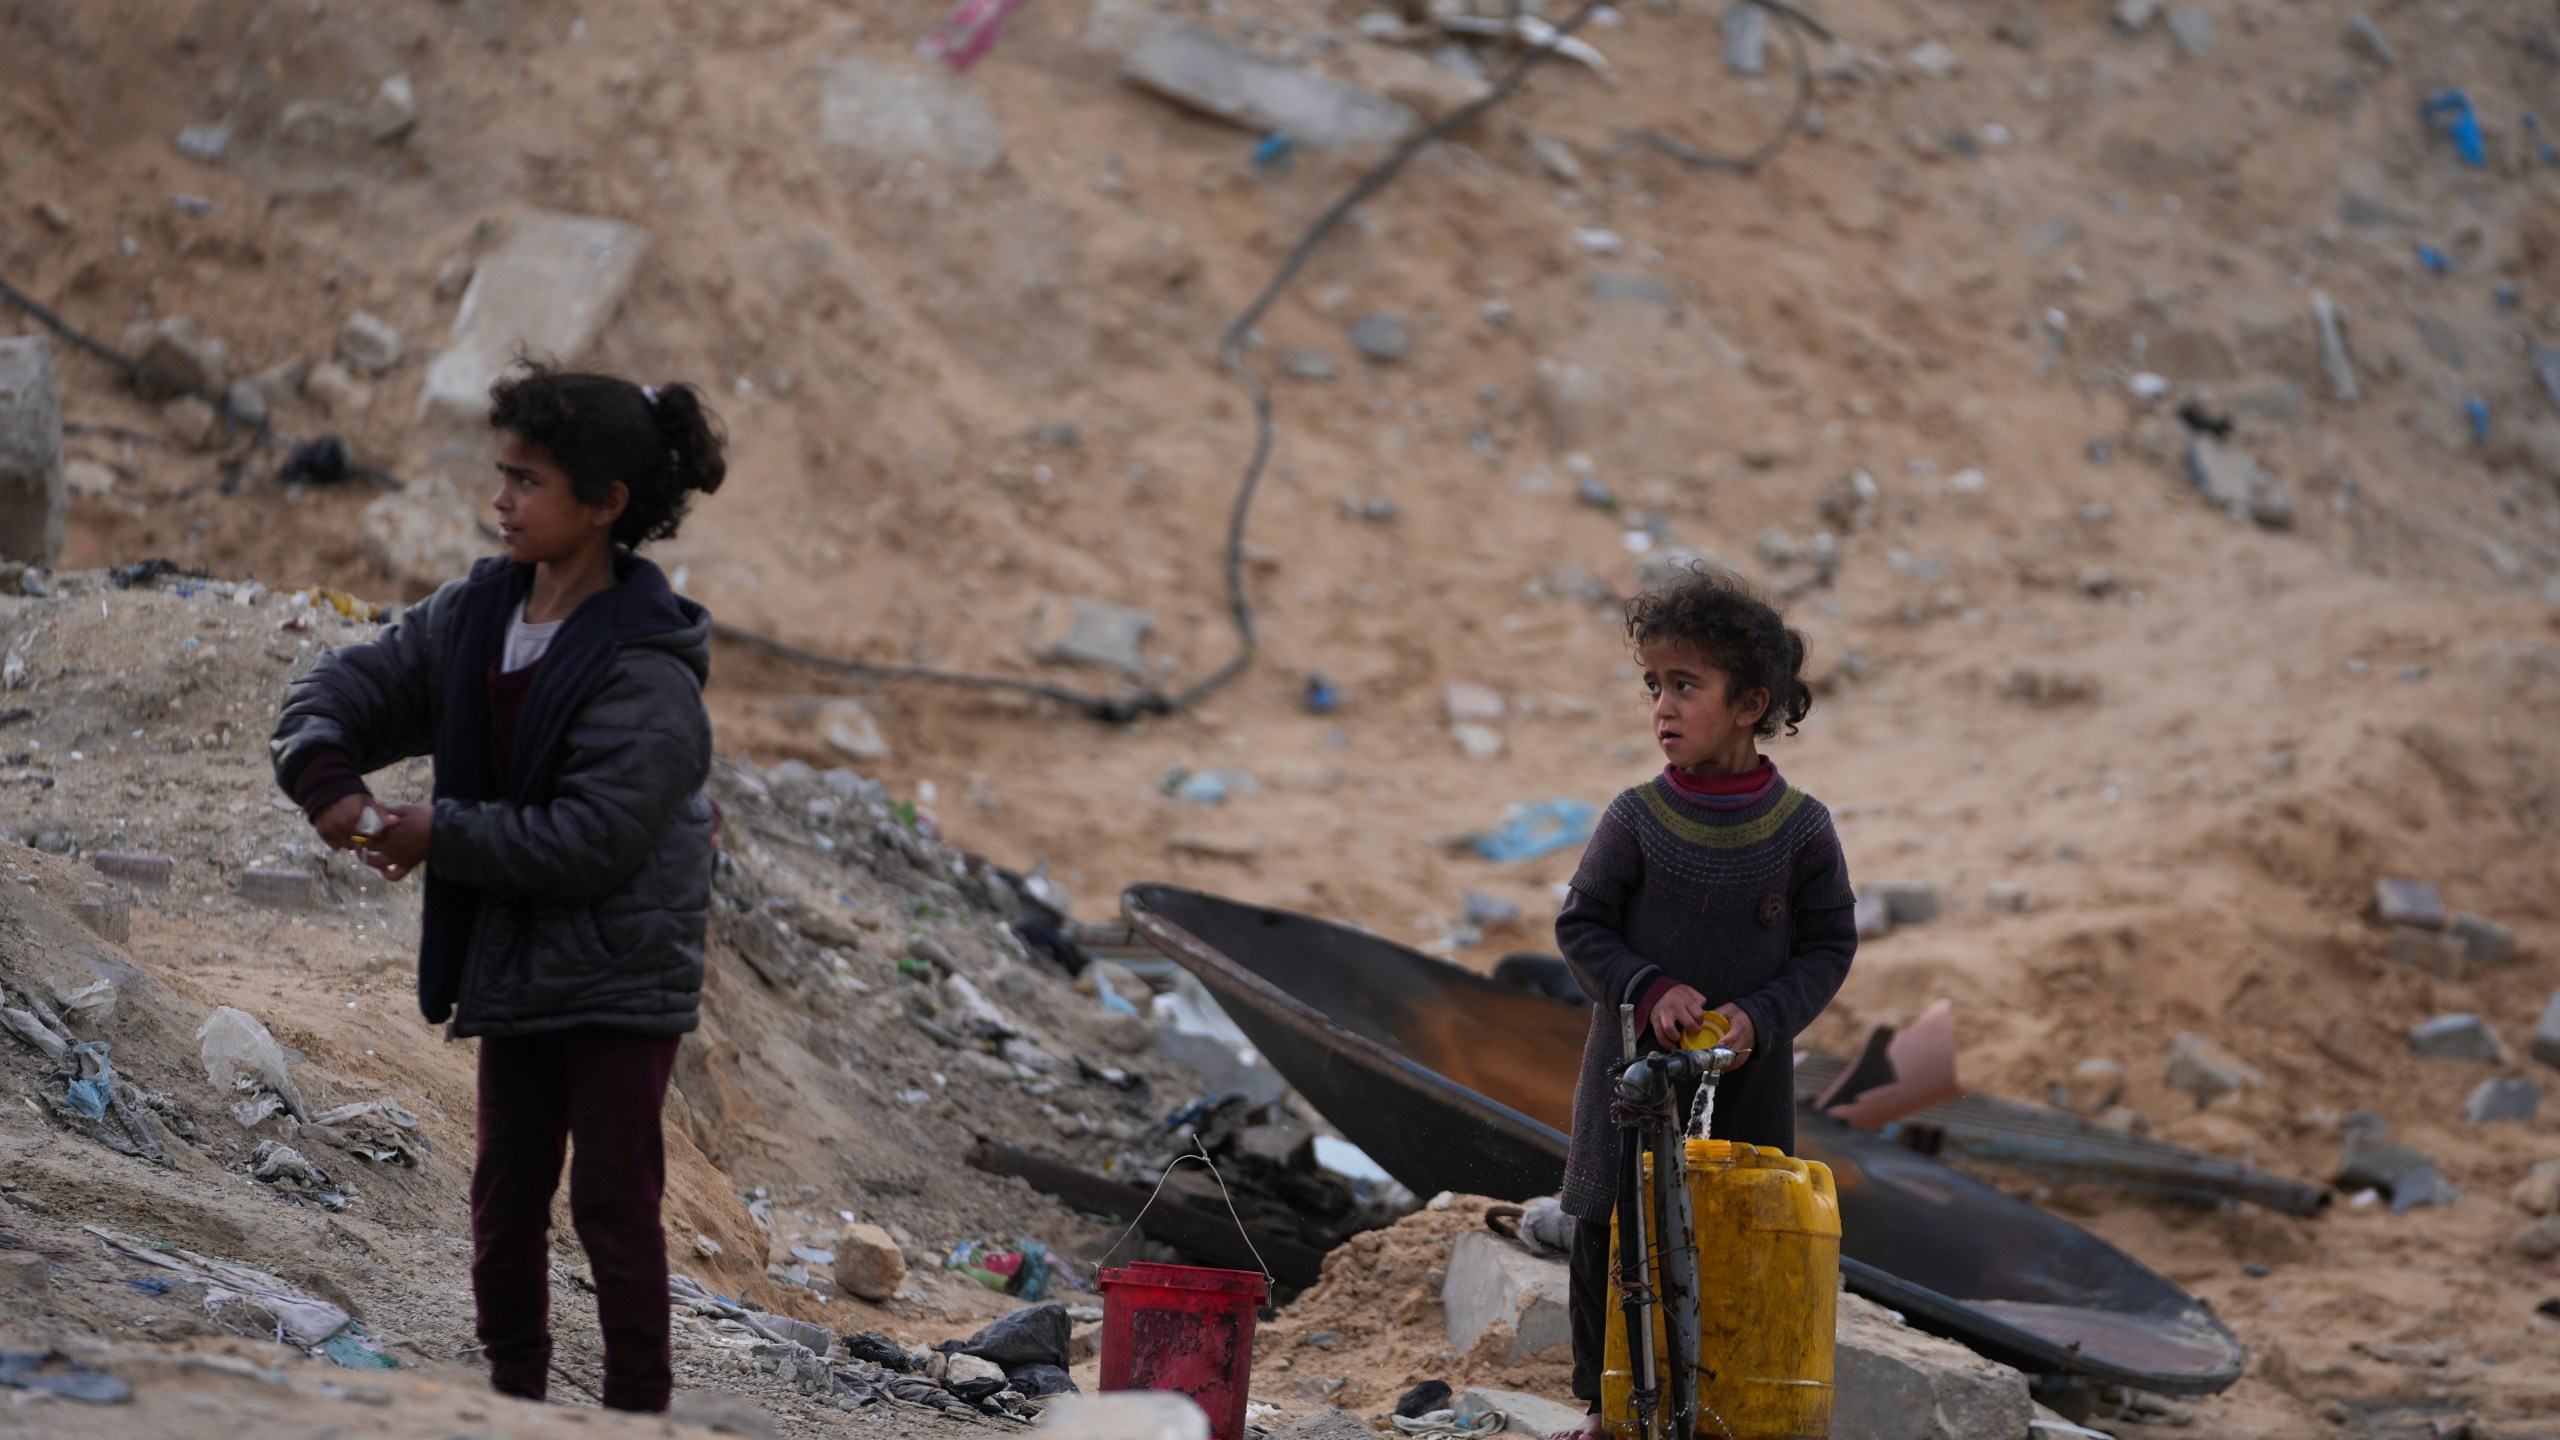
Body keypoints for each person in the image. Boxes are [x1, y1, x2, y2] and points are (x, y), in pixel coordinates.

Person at [270, 363, 727, 1413]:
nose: (502, 501)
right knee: (506, 1193)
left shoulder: (647, 672)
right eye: (503, 474)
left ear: (607, 505)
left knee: (615, 1202)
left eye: (529, 481)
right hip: (516, 957)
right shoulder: (478, 616)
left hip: (619, 970)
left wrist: (439, 833)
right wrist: (329, 777)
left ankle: (637, 1417)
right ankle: (512, 1403)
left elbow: (593, 840)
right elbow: (345, 685)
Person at [1548, 565, 1857, 1438]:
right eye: (1654, 685)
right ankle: (1605, 1409)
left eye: (1686, 685)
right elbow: (1583, 927)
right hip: (1631, 1076)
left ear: (1752, 703)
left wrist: (1763, 1015)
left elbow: (1830, 945)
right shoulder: (1637, 817)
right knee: (1607, 1230)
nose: (1663, 707)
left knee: (1732, 1239)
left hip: (1743, 1077)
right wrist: (1647, 988)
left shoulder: (1800, 829)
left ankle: (1715, 1411)